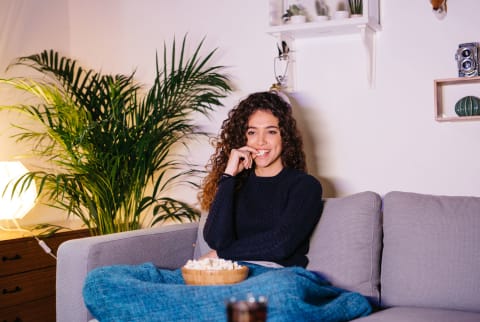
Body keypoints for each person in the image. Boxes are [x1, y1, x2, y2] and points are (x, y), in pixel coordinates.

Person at [198, 91, 323, 268]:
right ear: (243, 137)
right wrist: (229, 175)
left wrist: (220, 255)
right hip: (230, 271)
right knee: (147, 275)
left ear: (284, 137)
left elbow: (280, 245)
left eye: (271, 132)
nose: (261, 141)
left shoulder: (304, 186)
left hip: (277, 276)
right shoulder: (237, 184)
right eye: (252, 132)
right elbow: (215, 240)